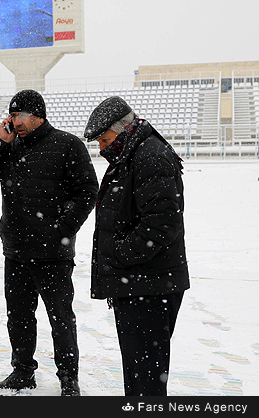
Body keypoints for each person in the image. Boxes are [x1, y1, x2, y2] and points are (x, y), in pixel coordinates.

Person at [0, 89, 98, 395]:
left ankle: (68, 378)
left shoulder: (68, 145)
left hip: (53, 253)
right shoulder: (9, 146)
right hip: (15, 250)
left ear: (38, 116)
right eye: (12, 115)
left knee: (60, 318)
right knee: (18, 317)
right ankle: (22, 371)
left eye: (20, 115)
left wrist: (62, 230)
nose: (15, 121)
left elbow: (87, 192)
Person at [83, 96, 190, 396]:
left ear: (124, 129)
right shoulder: (132, 154)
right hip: (140, 282)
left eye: (105, 139)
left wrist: (119, 255)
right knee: (139, 371)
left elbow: (161, 225)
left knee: (146, 378)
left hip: (149, 285)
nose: (102, 148)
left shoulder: (149, 156)